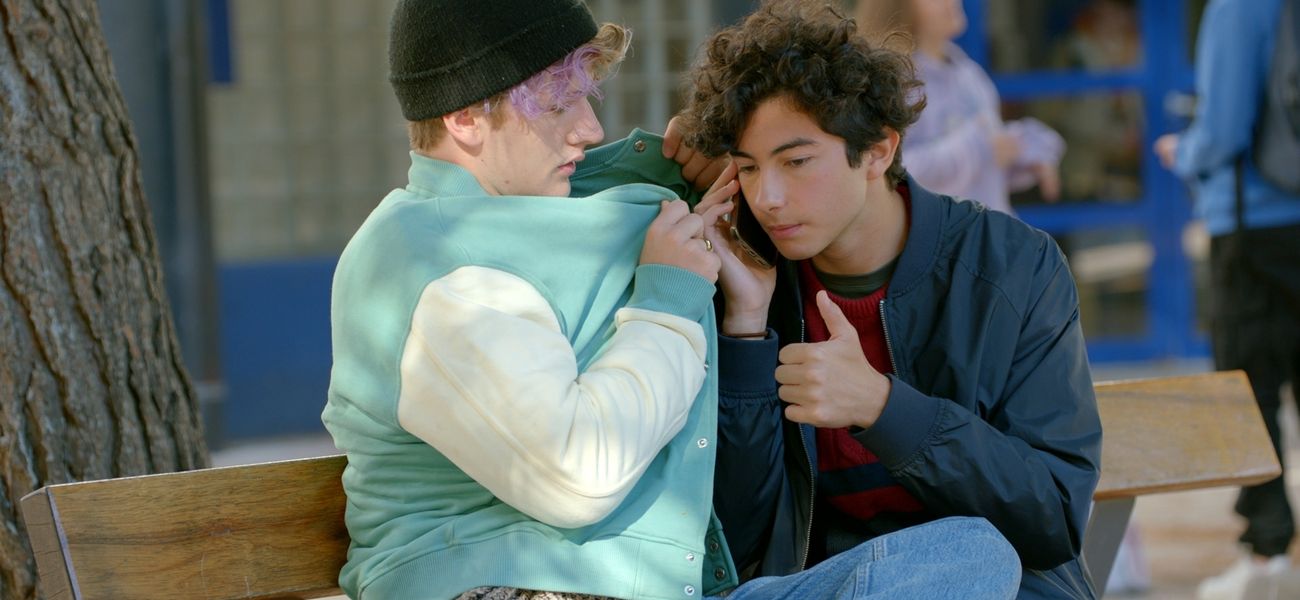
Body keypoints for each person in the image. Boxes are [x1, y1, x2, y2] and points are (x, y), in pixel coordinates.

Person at [321, 1, 1022, 598]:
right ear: (467, 120)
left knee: (971, 554)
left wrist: (685, 157)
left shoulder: (547, 205)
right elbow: (579, 474)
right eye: (558, 104)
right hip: (509, 586)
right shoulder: (434, 261)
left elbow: (626, 174)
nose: (588, 129)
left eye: (585, 98)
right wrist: (665, 301)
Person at [669, 1, 1102, 598]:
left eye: (796, 162)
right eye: (748, 169)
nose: (768, 198)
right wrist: (746, 329)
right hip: (821, 585)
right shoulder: (739, 273)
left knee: (970, 555)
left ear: (877, 150)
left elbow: (1050, 518)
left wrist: (883, 407)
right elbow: (737, 551)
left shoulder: (1010, 267)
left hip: (993, 584)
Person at [1154, 0, 1300, 598]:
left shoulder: (1241, 6)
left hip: (1255, 224)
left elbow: (1224, 130)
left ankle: (1267, 552)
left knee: (1247, 392)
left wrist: (1183, 152)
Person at [855, 0, 1064, 215]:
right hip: (936, 233)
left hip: (985, 230)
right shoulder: (891, 84)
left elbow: (988, 162)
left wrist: (1026, 150)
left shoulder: (969, 73)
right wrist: (979, 149)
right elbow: (889, 172)